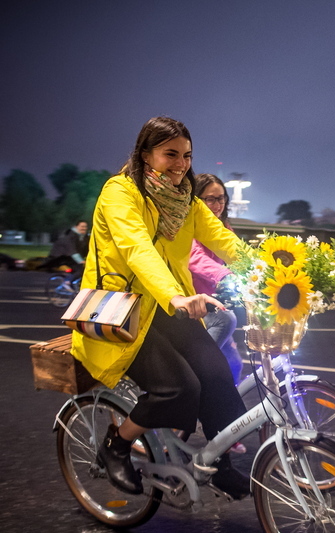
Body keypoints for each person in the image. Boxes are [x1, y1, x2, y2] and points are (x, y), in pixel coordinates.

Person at [71, 116, 250, 499]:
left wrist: (278, 270)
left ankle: (220, 464)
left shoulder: (186, 199)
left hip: (167, 307)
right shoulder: (120, 192)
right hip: (121, 310)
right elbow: (138, 249)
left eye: (186, 155)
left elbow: (225, 241)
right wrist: (176, 296)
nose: (181, 164)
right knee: (178, 388)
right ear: (145, 154)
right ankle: (116, 445)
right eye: (171, 154)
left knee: (216, 373)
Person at [189, 173, 242, 384]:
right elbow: (193, 256)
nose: (217, 204)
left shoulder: (224, 227)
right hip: (191, 302)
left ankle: (225, 415)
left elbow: (238, 254)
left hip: (212, 299)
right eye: (209, 199)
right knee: (225, 319)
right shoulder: (189, 224)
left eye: (221, 198)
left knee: (234, 364)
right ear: (196, 199)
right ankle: (187, 374)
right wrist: (224, 275)